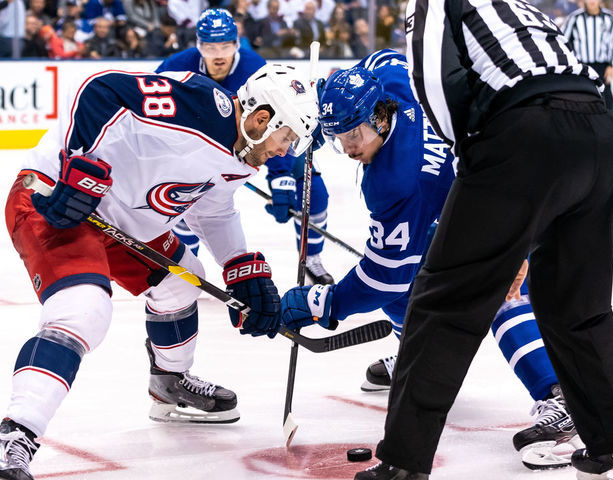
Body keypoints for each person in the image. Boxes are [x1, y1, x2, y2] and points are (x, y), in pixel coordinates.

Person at [347, 0, 613, 478]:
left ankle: (403, 462)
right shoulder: (522, 7)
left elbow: (436, 87)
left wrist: (476, 184)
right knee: (576, 304)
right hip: (607, 141)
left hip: (525, 136)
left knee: (443, 302)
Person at [0, 63, 318, 480]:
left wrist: (240, 266)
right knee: (84, 309)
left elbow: (213, 206)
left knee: (182, 283)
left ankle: (169, 383)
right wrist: (76, 163)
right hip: (55, 201)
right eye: (287, 136)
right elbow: (101, 89)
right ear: (263, 119)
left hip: (120, 220)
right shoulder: (201, 108)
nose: (286, 149)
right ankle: (15, 436)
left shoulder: (242, 152)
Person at [280, 49, 579, 471]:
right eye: (337, 139)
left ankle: (558, 396)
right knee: (423, 268)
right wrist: (322, 111)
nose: (347, 149)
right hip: (499, 175)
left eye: (353, 136)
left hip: (523, 188)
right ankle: (416, 352)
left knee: (498, 287)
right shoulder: (392, 81)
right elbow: (382, 56)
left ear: (380, 118)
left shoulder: (396, 182)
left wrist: (322, 305)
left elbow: (382, 278)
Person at [156, 8, 334, 284]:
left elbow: (278, 123)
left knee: (315, 193)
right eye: (210, 47)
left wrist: (282, 174)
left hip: (261, 141)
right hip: (202, 148)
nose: (218, 55)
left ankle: (312, 259)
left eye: (225, 46)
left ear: (237, 44)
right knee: (184, 199)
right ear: (198, 45)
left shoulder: (254, 67)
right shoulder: (174, 68)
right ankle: (182, 264)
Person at [562, 0, 613, 110]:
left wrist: (611, 66)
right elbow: (564, 40)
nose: (592, 1)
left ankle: (608, 125)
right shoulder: (575, 18)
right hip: (583, 66)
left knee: (606, 99)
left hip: (602, 66)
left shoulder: (609, 18)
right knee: (582, 97)